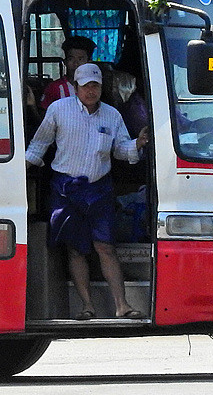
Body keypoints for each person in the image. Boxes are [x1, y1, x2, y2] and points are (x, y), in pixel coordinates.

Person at [25, 62, 150, 320]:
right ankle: (87, 306)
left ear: (101, 88)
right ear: (75, 87)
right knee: (75, 249)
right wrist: (15, 171)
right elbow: (39, 145)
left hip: (99, 189)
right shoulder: (59, 110)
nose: (91, 91)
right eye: (86, 86)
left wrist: (137, 144)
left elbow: (120, 149)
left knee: (105, 247)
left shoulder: (112, 116)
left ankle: (122, 305)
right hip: (66, 189)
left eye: (95, 86)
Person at [40, 35, 96, 113]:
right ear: (65, 62)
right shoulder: (55, 88)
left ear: (89, 62)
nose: (76, 63)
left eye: (80, 59)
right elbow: (44, 117)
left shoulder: (97, 88)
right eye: (71, 59)